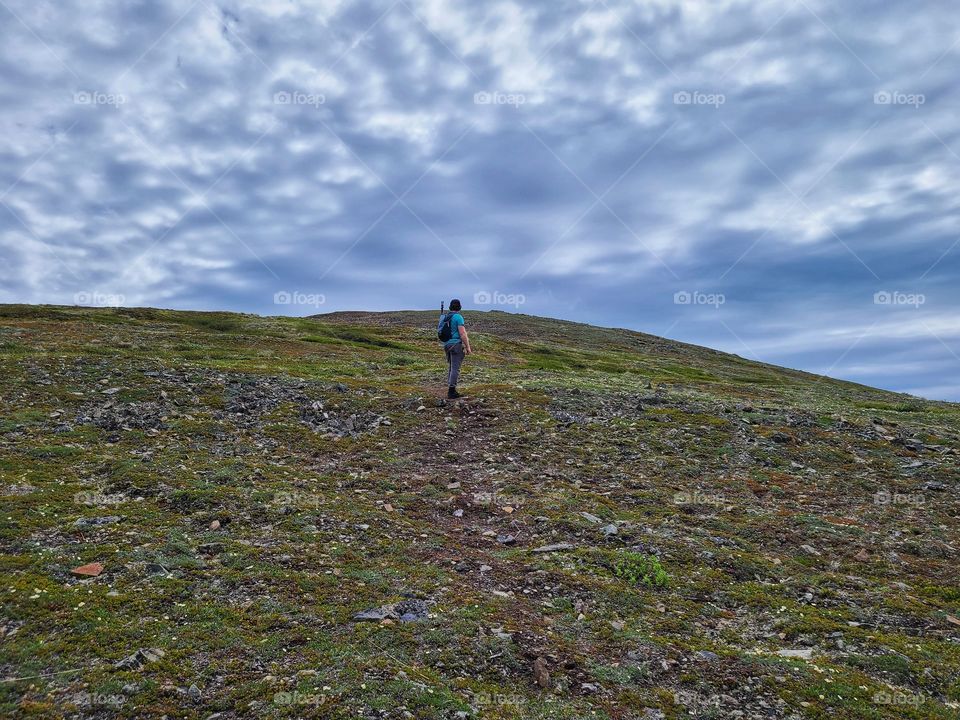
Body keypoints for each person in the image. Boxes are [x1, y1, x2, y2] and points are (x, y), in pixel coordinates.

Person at [439, 298, 471, 398]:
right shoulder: (458, 317)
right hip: (456, 345)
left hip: (447, 345)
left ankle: (451, 388)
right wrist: (468, 347)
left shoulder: (445, 317)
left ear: (450, 307)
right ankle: (451, 391)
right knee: (455, 368)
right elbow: (462, 333)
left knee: (451, 367)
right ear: (459, 307)